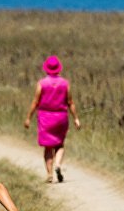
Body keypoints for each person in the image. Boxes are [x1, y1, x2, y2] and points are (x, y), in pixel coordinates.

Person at [23, 55, 81, 183]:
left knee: (48, 147)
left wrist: (28, 118)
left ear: (46, 69)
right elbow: (70, 102)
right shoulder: (65, 83)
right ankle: (58, 165)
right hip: (61, 117)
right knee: (59, 144)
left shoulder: (42, 84)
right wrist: (76, 118)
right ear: (59, 69)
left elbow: (35, 102)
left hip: (45, 118)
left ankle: (49, 174)